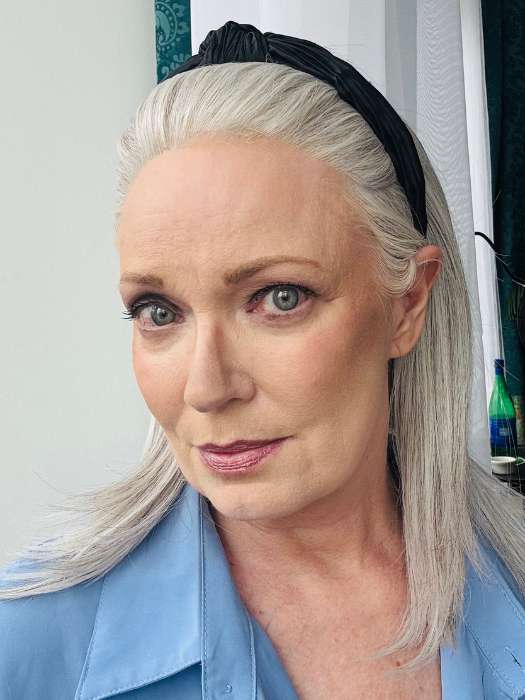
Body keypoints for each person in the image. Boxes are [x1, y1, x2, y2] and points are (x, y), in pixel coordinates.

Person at [2, 20, 525, 700]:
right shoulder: (29, 648)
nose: (206, 387)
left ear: (406, 305)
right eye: (159, 312)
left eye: (279, 298)